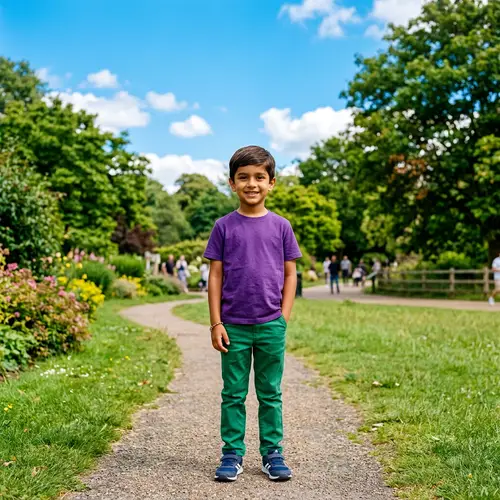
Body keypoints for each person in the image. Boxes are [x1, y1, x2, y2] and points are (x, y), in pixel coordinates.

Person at [204, 145, 301, 483]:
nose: (252, 183)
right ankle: (232, 453)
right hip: (233, 326)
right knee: (233, 393)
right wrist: (216, 322)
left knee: (270, 392)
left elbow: (291, 273)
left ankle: (272, 453)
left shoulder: (281, 226)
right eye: (243, 177)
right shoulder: (223, 226)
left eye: (260, 177)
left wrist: (283, 316)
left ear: (271, 182)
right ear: (232, 183)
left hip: (270, 325)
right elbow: (215, 275)